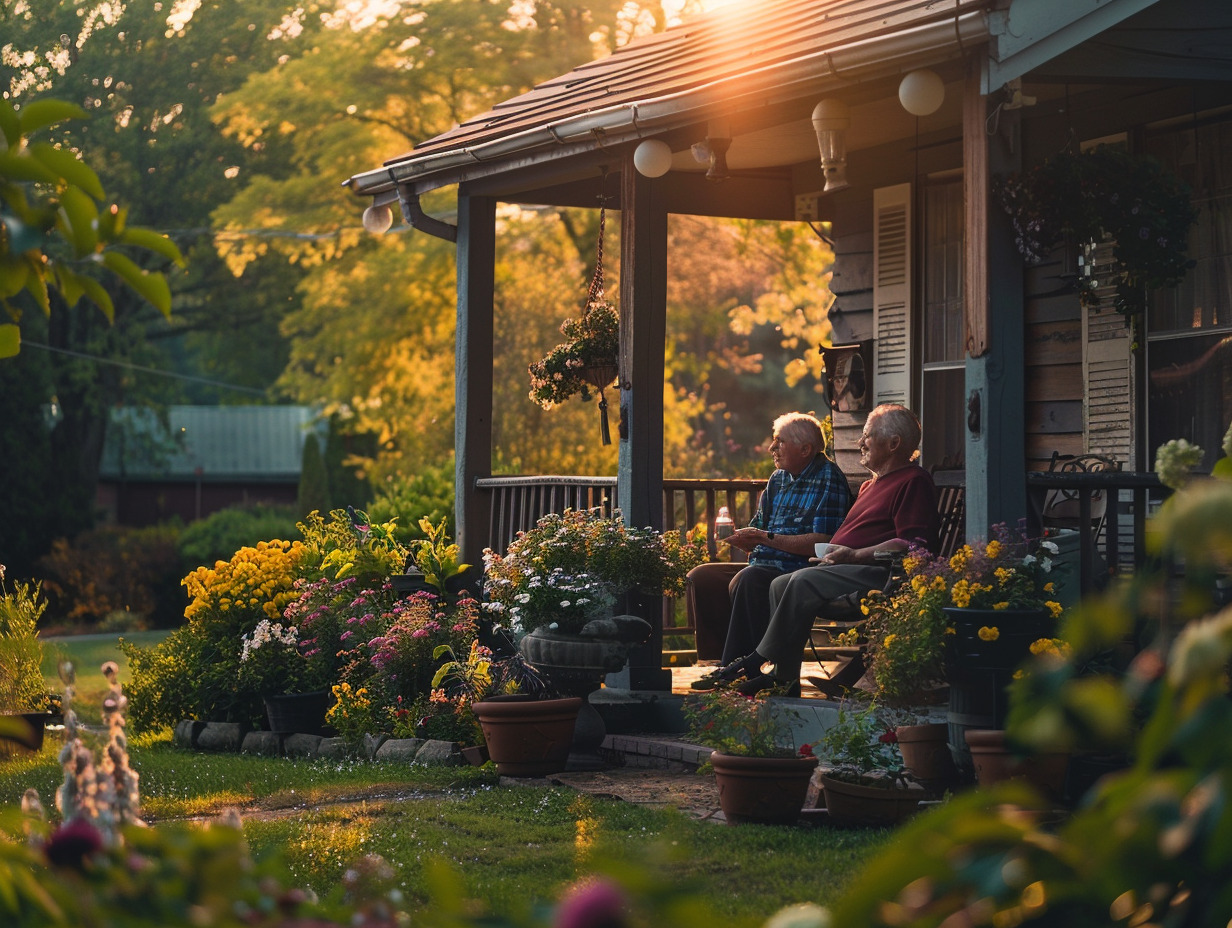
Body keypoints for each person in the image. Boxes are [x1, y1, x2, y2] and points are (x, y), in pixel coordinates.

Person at [707, 403, 939, 697]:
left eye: (867, 435)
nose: (860, 442)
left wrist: (853, 554)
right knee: (780, 584)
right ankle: (784, 677)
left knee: (801, 580)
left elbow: (912, 544)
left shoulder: (913, 481)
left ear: (893, 444)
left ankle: (757, 658)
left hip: (880, 573)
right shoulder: (870, 486)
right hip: (843, 567)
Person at [687, 412, 851, 687]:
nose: (771, 448)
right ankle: (719, 662)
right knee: (704, 576)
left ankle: (734, 670)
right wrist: (743, 538)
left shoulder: (828, 478)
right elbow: (759, 526)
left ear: (805, 449)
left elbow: (823, 541)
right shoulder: (779, 479)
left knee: (748, 579)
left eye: (779, 442)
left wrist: (765, 538)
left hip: (800, 570)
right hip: (766, 564)